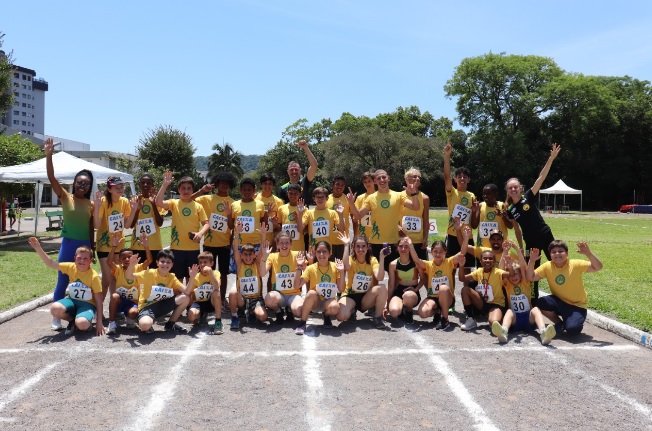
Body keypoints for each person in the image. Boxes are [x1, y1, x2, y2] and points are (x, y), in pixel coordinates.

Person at [44, 137, 95, 331]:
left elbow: (91, 228)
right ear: (74, 183)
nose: (83, 186)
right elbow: (52, 178)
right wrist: (49, 155)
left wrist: (93, 247)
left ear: (90, 187)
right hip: (68, 244)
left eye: (86, 184)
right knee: (63, 279)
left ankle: (86, 311)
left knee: (85, 280)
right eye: (80, 183)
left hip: (85, 245)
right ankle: (56, 318)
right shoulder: (66, 197)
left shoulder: (90, 205)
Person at [503, 143, 561, 302]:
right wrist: (521, 247)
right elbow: (516, 230)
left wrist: (551, 159)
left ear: (520, 189)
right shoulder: (510, 209)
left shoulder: (528, 196)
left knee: (555, 264)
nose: (513, 190)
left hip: (544, 235)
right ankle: (533, 300)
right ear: (508, 191)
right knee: (532, 270)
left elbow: (541, 177)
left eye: (515, 187)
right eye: (510, 188)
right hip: (530, 242)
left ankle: (560, 294)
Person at [28, 237, 104, 336]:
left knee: (82, 324)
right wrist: (37, 247)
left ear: (91, 260)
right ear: (75, 259)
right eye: (79, 258)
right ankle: (72, 320)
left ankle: (83, 321)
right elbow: (50, 263)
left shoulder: (94, 277)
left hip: (87, 304)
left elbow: (99, 299)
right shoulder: (70, 267)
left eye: (85, 259)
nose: (82, 261)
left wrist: (99, 322)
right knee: (54, 308)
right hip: (72, 300)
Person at [346, 169, 420, 271]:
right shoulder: (370, 198)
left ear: (388, 178)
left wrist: (414, 194)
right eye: (379, 178)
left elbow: (415, 207)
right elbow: (358, 216)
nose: (382, 180)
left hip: (394, 242)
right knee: (375, 277)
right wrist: (351, 203)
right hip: (375, 243)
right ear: (375, 181)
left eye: (384, 177)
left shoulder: (398, 195)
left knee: (394, 276)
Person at [526, 240, 603, 337]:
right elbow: (530, 277)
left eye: (560, 251)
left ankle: (571, 322)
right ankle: (559, 323)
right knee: (541, 302)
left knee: (572, 330)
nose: (557, 254)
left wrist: (589, 254)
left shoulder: (575, 264)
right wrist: (532, 261)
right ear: (550, 255)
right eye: (553, 252)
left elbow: (598, 267)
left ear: (567, 253)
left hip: (577, 306)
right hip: (559, 302)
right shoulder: (547, 266)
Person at [491, 242, 556, 345]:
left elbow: (523, 266)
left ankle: (544, 333)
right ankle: (503, 332)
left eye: (516, 274)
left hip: (528, 318)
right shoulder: (508, 284)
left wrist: (517, 249)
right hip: (515, 319)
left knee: (535, 309)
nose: (514, 277)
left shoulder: (525, 282)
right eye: (511, 275)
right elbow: (500, 271)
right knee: (509, 312)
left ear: (521, 275)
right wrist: (505, 252)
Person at [155, 171, 209, 282]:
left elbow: (207, 224)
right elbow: (158, 202)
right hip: (177, 249)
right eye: (183, 188)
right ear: (179, 190)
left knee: (191, 279)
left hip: (193, 249)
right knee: (177, 279)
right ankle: (178, 299)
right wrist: (165, 185)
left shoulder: (198, 206)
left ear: (192, 190)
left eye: (189, 188)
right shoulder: (174, 203)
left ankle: (189, 300)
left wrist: (200, 233)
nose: (186, 191)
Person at [194, 172, 237, 308]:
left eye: (227, 183)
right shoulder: (207, 198)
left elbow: (234, 224)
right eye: (221, 183)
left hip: (225, 244)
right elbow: (189, 199)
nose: (224, 185)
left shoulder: (233, 203)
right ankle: (206, 297)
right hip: (209, 244)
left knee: (223, 274)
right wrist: (201, 190)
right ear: (216, 184)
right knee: (206, 272)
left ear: (230, 186)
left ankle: (222, 299)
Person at [126, 249, 191, 334]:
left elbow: (187, 291)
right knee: (145, 326)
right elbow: (129, 277)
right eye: (162, 261)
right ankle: (146, 320)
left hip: (162, 305)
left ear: (172, 264)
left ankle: (171, 324)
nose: (165, 264)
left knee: (185, 298)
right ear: (157, 263)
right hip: (147, 306)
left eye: (168, 262)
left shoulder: (171, 277)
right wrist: (131, 265)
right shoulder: (149, 273)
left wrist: (192, 277)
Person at [94, 176, 135, 300]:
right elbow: (97, 225)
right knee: (106, 279)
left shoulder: (125, 201)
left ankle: (114, 306)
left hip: (119, 245)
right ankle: (99, 310)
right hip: (105, 245)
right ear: (109, 189)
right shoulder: (103, 202)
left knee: (115, 278)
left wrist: (133, 210)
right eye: (116, 187)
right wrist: (96, 208)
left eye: (121, 186)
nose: (120, 189)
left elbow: (127, 225)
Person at [336, 233, 388, 329]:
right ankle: (352, 310)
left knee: (382, 288)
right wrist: (346, 245)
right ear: (354, 248)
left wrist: (382, 258)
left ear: (368, 247)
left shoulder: (372, 260)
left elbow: (380, 277)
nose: (360, 249)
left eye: (363, 246)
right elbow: (346, 266)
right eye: (358, 247)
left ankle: (377, 317)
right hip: (351, 295)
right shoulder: (351, 259)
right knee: (341, 316)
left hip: (366, 296)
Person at [443, 140, 476, 290]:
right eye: (459, 176)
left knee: (467, 268)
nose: (462, 178)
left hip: (467, 236)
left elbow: (473, 219)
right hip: (452, 235)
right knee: (452, 268)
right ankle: (450, 300)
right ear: (455, 179)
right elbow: (446, 176)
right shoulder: (452, 192)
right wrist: (447, 156)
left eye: (465, 176)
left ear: (469, 180)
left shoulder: (472, 196)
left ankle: (468, 299)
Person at [411, 240, 464, 330]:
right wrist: (410, 245)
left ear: (445, 252)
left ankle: (445, 319)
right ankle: (438, 311)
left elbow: (462, 252)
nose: (438, 254)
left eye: (441, 252)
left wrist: (466, 237)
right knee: (422, 313)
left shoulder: (449, 262)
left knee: (443, 288)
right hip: (433, 297)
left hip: (447, 298)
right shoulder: (428, 265)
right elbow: (416, 259)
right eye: (435, 251)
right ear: (431, 252)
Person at [106, 232, 152, 335]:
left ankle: (129, 317)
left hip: (133, 302)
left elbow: (149, 261)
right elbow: (108, 262)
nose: (127, 259)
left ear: (134, 257)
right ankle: (112, 323)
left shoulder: (138, 267)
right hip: (120, 300)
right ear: (119, 260)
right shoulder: (118, 269)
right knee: (114, 296)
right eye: (124, 258)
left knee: (133, 313)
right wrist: (114, 246)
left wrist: (146, 247)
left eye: (129, 257)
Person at [296, 241, 345, 333]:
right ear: (315, 253)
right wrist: (299, 267)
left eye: (324, 251)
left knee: (335, 307)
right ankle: (302, 322)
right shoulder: (311, 268)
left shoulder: (335, 267)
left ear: (330, 253)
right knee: (311, 293)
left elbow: (341, 289)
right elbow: (297, 285)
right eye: (318, 251)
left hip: (328, 301)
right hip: (315, 302)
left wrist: (342, 272)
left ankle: (326, 316)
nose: (321, 254)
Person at [458, 250, 512, 333]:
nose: (487, 260)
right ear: (480, 261)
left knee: (493, 322)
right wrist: (461, 266)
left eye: (490, 259)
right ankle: (471, 319)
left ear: (494, 261)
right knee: (465, 290)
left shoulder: (497, 272)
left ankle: (497, 320)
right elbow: (462, 278)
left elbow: (510, 274)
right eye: (485, 258)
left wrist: (510, 266)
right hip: (482, 302)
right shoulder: (479, 271)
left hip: (496, 304)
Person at [261, 231, 306, 327]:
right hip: (279, 295)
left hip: (293, 294)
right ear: (277, 244)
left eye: (287, 243)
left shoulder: (297, 255)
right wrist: (264, 256)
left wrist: (302, 265)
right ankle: (278, 311)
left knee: (299, 312)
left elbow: (307, 274)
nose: (284, 245)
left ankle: (290, 309)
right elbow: (262, 273)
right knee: (269, 299)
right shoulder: (272, 256)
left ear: (291, 244)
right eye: (281, 243)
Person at [228, 221, 268, 329]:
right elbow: (235, 249)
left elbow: (262, 249)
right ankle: (235, 316)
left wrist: (263, 235)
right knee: (232, 293)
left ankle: (251, 312)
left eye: (250, 254)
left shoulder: (257, 263)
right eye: (245, 254)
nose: (248, 257)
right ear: (241, 256)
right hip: (242, 298)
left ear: (254, 255)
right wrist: (237, 233)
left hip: (255, 298)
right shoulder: (240, 264)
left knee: (263, 317)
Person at [227, 177, 267, 273]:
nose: (247, 192)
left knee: (257, 271)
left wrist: (267, 214)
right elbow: (231, 226)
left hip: (256, 244)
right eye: (244, 189)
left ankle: (259, 288)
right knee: (239, 272)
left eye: (249, 190)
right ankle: (238, 288)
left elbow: (263, 223)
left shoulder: (260, 204)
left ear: (254, 190)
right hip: (239, 244)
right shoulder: (234, 205)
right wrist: (228, 214)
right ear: (240, 190)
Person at [129, 174, 166, 269]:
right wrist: (137, 209)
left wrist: (153, 204)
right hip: (137, 246)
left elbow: (160, 223)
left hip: (154, 245)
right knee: (138, 276)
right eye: (143, 183)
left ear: (152, 185)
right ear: (139, 185)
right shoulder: (135, 200)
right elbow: (131, 225)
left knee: (154, 277)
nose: (145, 185)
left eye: (148, 183)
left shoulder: (157, 201)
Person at [386, 236, 422, 324]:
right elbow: (391, 285)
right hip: (399, 290)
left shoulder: (416, 262)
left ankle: (409, 311)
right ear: (397, 248)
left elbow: (424, 279)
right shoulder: (393, 264)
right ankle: (401, 309)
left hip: (412, 292)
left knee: (408, 296)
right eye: (401, 246)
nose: (403, 249)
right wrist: (387, 304)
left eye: (406, 246)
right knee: (394, 312)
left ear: (410, 248)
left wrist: (416, 289)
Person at [186, 251, 224, 335]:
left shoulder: (215, 273)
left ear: (212, 263)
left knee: (216, 292)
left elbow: (217, 286)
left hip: (211, 302)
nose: (202, 264)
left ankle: (218, 322)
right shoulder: (196, 276)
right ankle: (201, 316)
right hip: (199, 302)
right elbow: (189, 292)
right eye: (200, 262)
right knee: (192, 316)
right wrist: (191, 277)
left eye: (205, 262)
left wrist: (210, 272)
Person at [298, 187, 344, 251]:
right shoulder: (309, 213)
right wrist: (300, 214)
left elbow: (341, 230)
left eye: (322, 197)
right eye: (318, 197)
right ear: (314, 198)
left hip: (327, 250)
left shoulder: (332, 213)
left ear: (327, 198)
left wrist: (340, 214)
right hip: (313, 250)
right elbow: (300, 230)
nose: (320, 199)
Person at [400, 168, 430, 261]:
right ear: (406, 179)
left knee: (421, 270)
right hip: (402, 240)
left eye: (418, 177)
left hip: (418, 240)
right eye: (414, 177)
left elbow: (425, 219)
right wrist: (399, 229)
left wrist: (425, 237)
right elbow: (393, 218)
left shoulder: (425, 198)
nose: (417, 179)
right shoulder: (398, 196)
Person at [278, 139, 319, 205]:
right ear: (287, 172)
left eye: (296, 170)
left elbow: (314, 166)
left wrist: (306, 148)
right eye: (291, 170)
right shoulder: (282, 188)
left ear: (300, 171)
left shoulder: (305, 182)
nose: (294, 172)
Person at [471, 183, 512, 249]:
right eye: (484, 194)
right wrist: (473, 212)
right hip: (483, 246)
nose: (485, 196)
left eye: (488, 194)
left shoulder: (502, 206)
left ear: (496, 194)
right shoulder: (480, 206)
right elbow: (474, 226)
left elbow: (510, 226)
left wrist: (503, 217)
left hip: (500, 246)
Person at [326, 175, 352, 260]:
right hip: (329, 241)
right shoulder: (325, 199)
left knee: (342, 269)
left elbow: (354, 218)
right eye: (337, 184)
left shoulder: (348, 199)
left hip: (343, 240)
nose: (340, 187)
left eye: (342, 185)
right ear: (332, 185)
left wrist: (355, 236)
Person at [276, 183, 306, 252]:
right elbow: (279, 228)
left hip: (298, 247)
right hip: (284, 247)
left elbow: (305, 230)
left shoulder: (304, 209)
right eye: (291, 193)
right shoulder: (281, 208)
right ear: (287, 193)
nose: (293, 196)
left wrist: (298, 219)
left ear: (300, 194)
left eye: (295, 194)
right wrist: (275, 224)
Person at [352, 171, 376, 238]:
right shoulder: (360, 198)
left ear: (374, 181)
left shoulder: (379, 197)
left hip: (377, 235)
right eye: (365, 182)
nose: (367, 184)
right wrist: (355, 236)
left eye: (369, 181)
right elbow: (355, 219)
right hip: (363, 236)